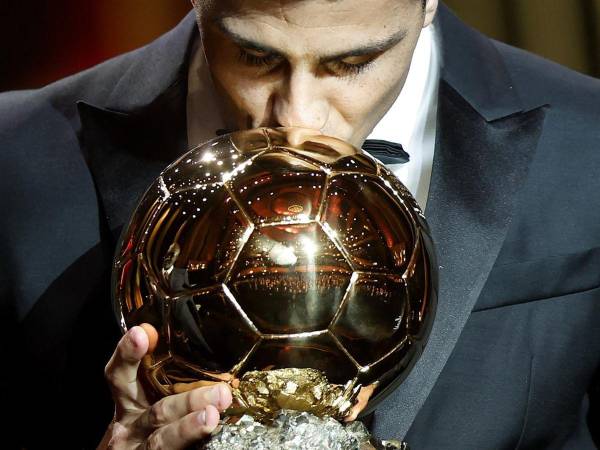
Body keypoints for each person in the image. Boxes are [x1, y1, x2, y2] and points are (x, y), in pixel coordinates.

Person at [2, 0, 599, 448]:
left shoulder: (589, 144)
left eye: (353, 62)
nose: (298, 119)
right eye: (254, 56)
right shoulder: (17, 159)